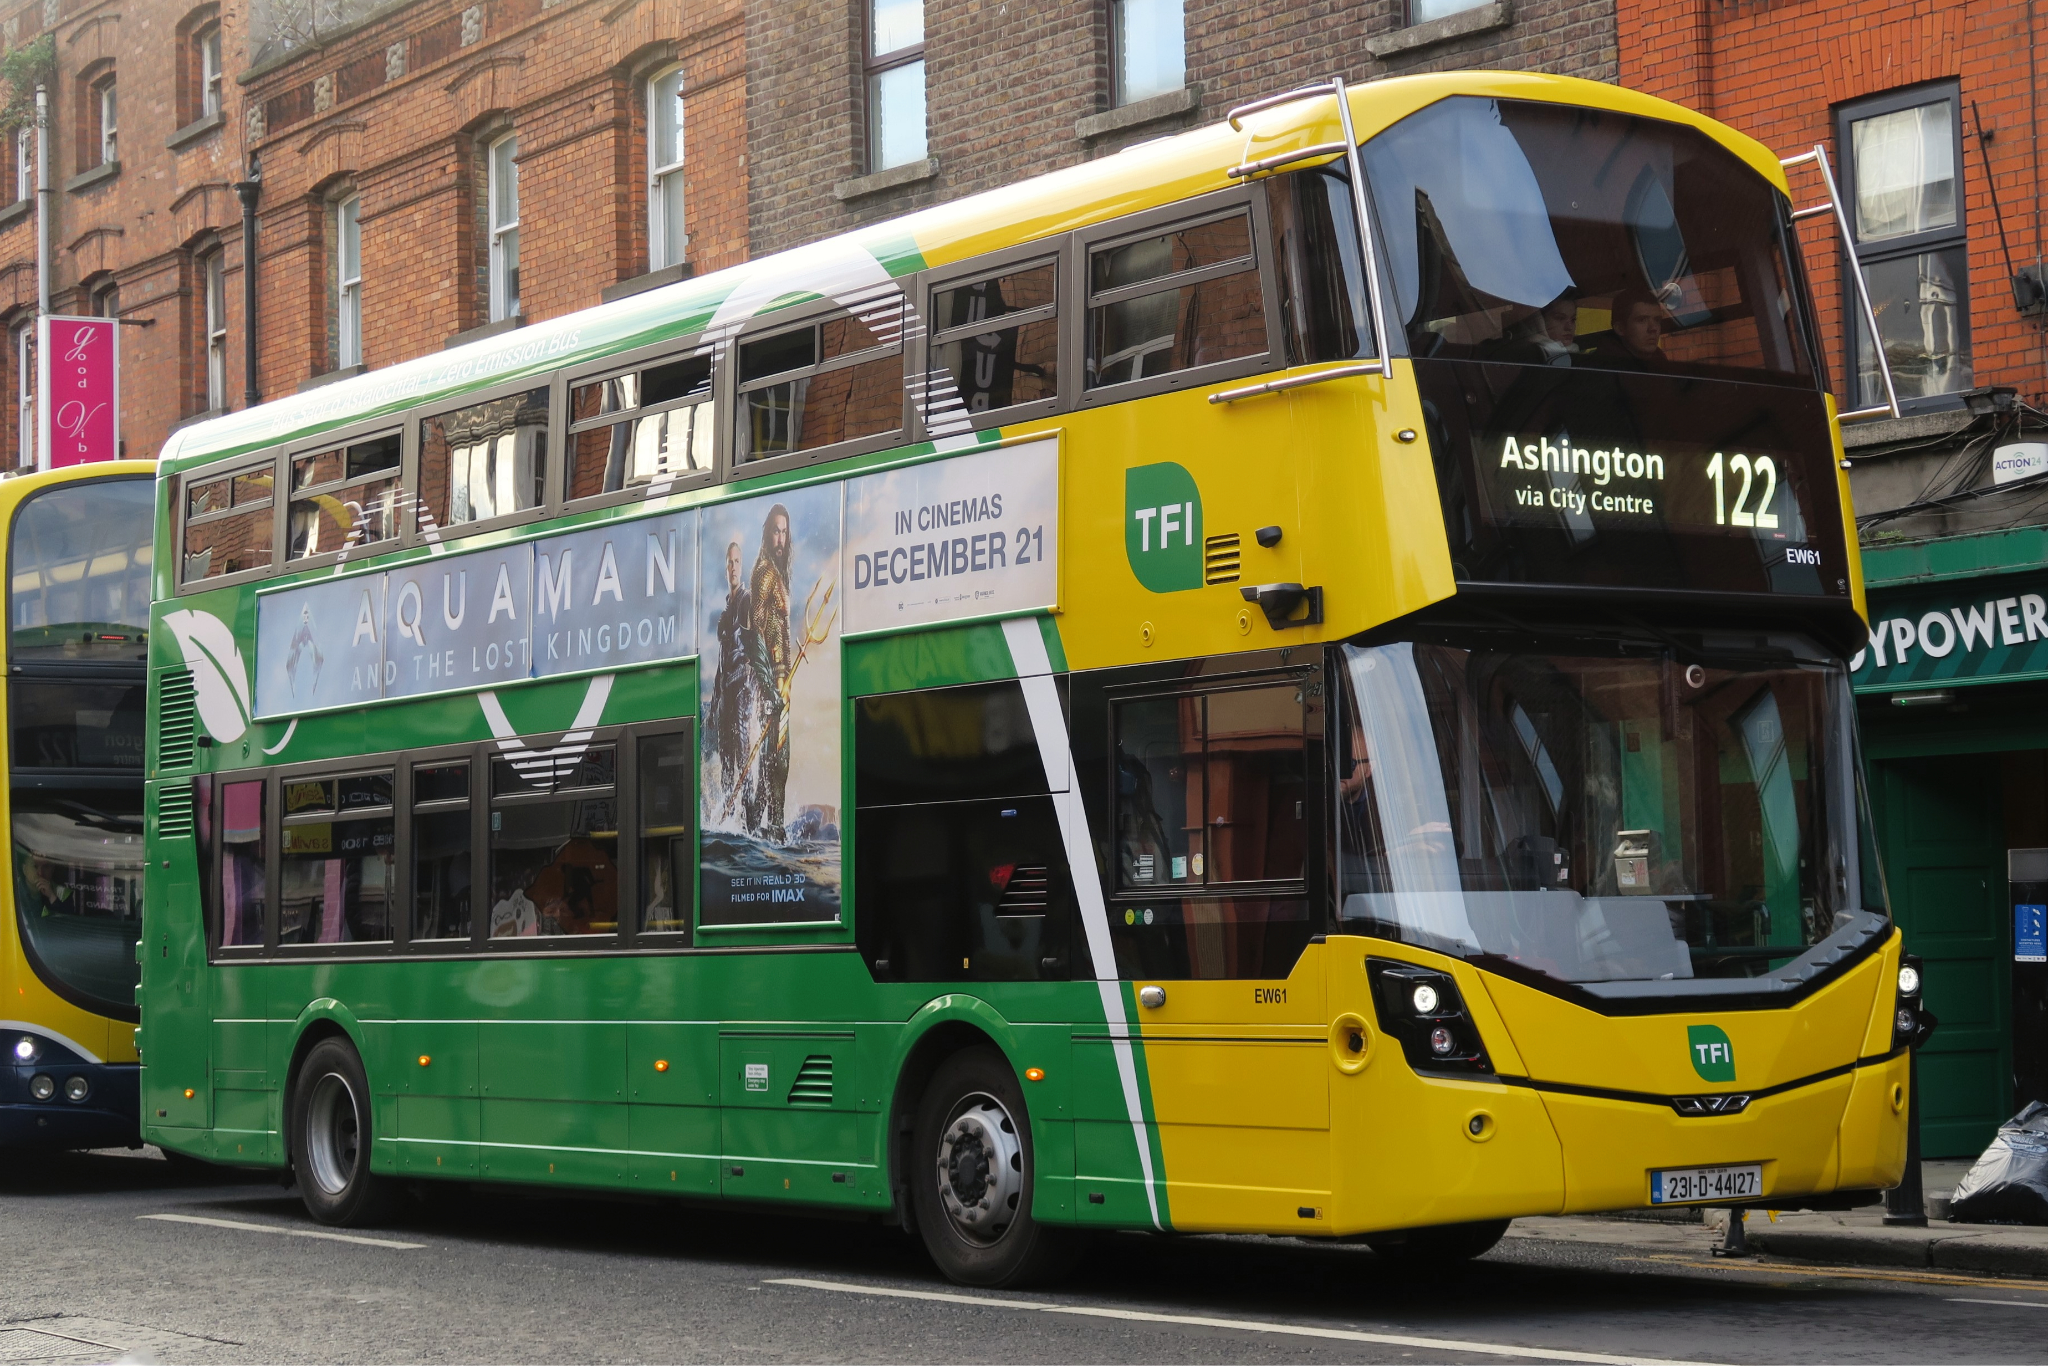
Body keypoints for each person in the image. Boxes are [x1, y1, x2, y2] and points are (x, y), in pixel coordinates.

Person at [747, 503, 795, 842]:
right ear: (767, 534)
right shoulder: (765, 573)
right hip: (772, 681)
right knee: (775, 756)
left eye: (784, 532)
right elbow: (755, 634)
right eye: (776, 531)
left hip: (781, 679)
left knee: (777, 756)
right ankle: (765, 825)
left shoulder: (778, 574)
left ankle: (767, 824)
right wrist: (768, 687)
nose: (781, 538)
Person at [708, 538, 754, 809]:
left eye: (737, 562)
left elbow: (756, 645)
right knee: (726, 759)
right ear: (725, 569)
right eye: (730, 563)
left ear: (741, 566)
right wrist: (714, 704)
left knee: (743, 753)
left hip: (742, 686)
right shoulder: (725, 614)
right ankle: (729, 817)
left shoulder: (748, 601)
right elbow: (720, 662)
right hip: (726, 691)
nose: (734, 567)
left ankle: (749, 818)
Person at [1580, 289, 1671, 371]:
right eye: (1642, 320)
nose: (1653, 328)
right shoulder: (1600, 369)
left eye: (1657, 320)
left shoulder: (1660, 361)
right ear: (1620, 328)